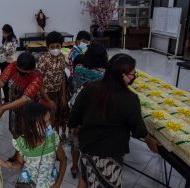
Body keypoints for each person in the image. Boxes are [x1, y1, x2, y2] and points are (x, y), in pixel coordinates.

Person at [68, 54, 159, 188]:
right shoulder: (130, 98)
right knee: (108, 182)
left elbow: (74, 116)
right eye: (131, 74)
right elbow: (137, 128)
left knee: (86, 176)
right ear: (120, 75)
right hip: (110, 152)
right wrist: (149, 139)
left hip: (87, 144)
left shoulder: (90, 87)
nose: (133, 78)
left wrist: (74, 127)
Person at [0, 102, 66, 188]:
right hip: (28, 184)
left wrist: (58, 184)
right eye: (45, 123)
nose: (49, 125)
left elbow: (63, 160)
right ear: (31, 127)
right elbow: (20, 163)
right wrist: (11, 165)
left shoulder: (53, 138)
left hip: (50, 184)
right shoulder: (22, 143)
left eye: (49, 121)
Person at [68, 42, 108, 179]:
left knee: (75, 139)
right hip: (95, 112)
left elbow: (74, 84)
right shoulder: (106, 75)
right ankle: (90, 167)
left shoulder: (79, 68)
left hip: (78, 108)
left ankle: (74, 166)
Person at [37, 31, 69, 139]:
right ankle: (48, 139)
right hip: (45, 94)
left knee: (58, 116)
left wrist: (63, 95)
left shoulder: (61, 58)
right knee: (48, 117)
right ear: (47, 47)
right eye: (52, 47)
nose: (55, 49)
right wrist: (48, 100)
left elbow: (63, 76)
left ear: (61, 46)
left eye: (57, 46)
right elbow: (39, 81)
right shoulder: (43, 59)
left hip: (58, 92)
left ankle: (56, 138)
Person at [0, 24, 18, 102]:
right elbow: (2, 48)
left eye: (4, 32)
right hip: (2, 62)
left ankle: (8, 99)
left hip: (8, 63)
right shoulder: (7, 39)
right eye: (3, 32)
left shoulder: (13, 41)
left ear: (9, 32)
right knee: (4, 79)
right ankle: (7, 97)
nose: (3, 34)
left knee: (6, 81)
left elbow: (6, 53)